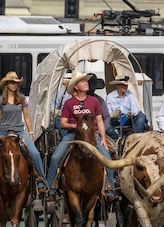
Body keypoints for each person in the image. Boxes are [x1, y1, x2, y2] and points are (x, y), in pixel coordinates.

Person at [45, 70, 116, 198]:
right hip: (73, 135)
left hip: (92, 136)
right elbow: (62, 123)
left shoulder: (93, 101)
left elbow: (99, 120)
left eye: (86, 81)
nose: (86, 83)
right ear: (76, 87)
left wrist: (103, 139)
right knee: (56, 157)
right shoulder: (69, 103)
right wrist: (75, 126)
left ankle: (110, 188)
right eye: (83, 81)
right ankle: (51, 187)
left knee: (107, 159)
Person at [0, 71, 47, 195]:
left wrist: (30, 133)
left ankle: (40, 180)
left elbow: (26, 116)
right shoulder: (0, 100)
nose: (14, 85)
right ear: (7, 84)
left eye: (16, 83)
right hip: (3, 133)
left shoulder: (21, 98)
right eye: (12, 82)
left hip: (19, 132)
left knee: (35, 154)